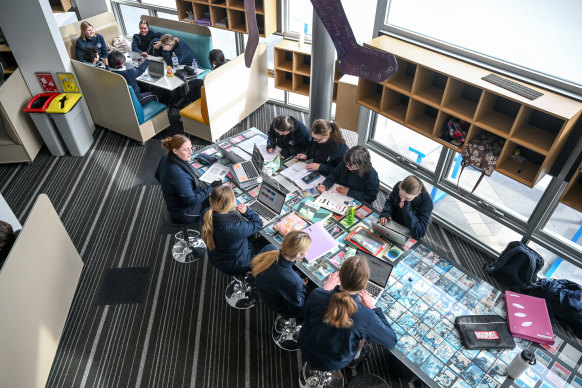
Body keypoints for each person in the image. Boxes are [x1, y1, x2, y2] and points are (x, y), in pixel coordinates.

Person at [298, 255, 397, 370]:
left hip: (305, 346)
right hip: (333, 362)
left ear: (340, 276)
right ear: (364, 285)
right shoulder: (367, 316)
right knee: (362, 334)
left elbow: (305, 317)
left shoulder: (317, 294)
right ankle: (356, 358)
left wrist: (325, 289)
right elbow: (390, 341)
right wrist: (372, 306)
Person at [202, 185, 275, 276]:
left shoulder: (206, 214)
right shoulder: (234, 229)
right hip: (237, 265)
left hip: (218, 257)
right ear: (230, 203)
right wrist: (247, 211)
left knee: (259, 239)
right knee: (272, 247)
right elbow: (258, 224)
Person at [155, 134, 218, 224]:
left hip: (175, 203)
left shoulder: (165, 158)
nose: (191, 152)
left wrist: (172, 189)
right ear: (175, 151)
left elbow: (157, 176)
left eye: (191, 148)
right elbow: (191, 201)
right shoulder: (178, 175)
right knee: (220, 202)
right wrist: (211, 187)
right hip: (185, 213)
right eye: (186, 150)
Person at [251, 230, 311, 318]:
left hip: (265, 291)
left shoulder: (269, 248)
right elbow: (298, 307)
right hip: (278, 306)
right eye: (307, 251)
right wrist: (303, 286)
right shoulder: (295, 281)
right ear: (298, 255)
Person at [379, 175, 433, 240]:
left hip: (409, 230)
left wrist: (407, 210)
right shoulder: (398, 186)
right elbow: (390, 201)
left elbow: (420, 233)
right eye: (400, 195)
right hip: (392, 223)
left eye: (407, 198)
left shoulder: (427, 203)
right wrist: (386, 212)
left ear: (418, 193)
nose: (402, 200)